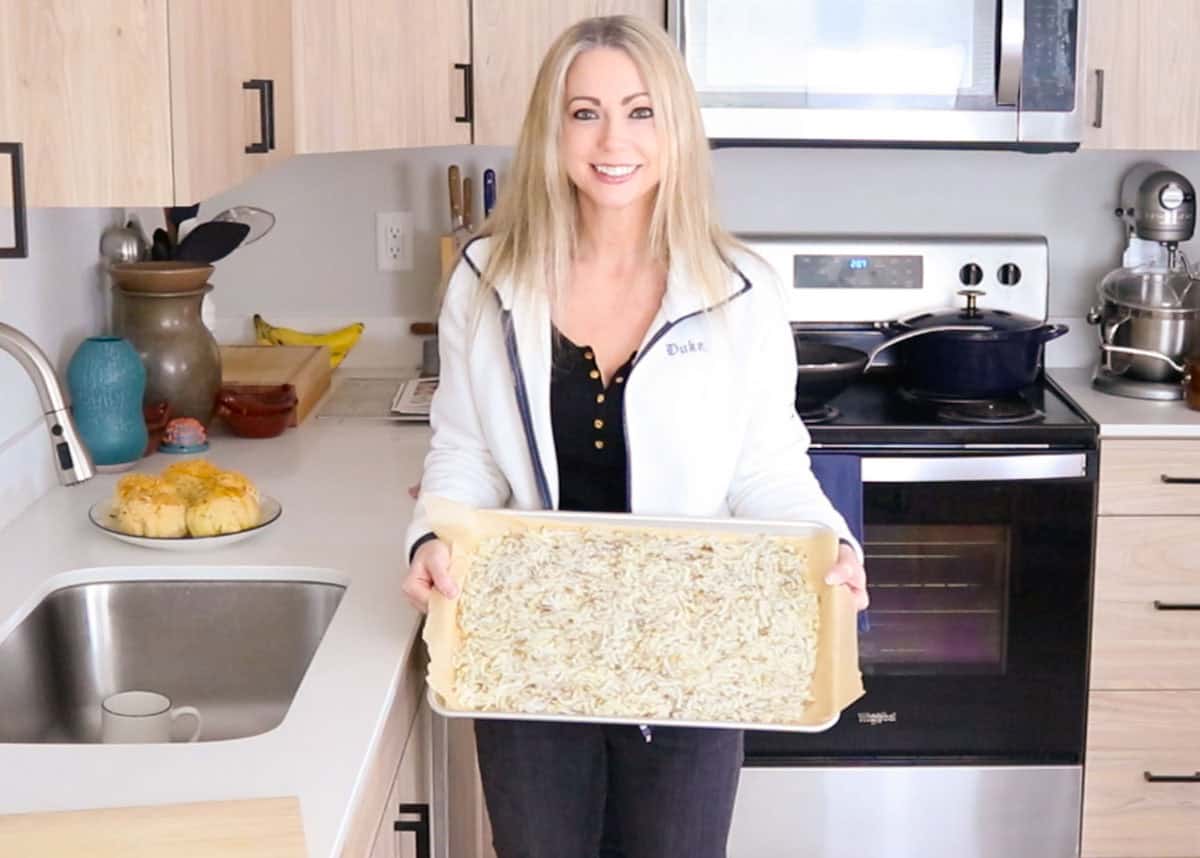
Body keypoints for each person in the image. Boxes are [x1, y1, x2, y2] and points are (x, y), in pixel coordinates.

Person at [402, 14, 868, 858]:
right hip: (530, 651)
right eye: (585, 113)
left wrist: (827, 542)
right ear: (552, 130)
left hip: (690, 658)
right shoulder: (486, 278)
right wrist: (430, 538)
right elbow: (464, 452)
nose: (613, 140)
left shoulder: (739, 290)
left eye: (640, 111)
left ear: (675, 127)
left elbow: (766, 467)